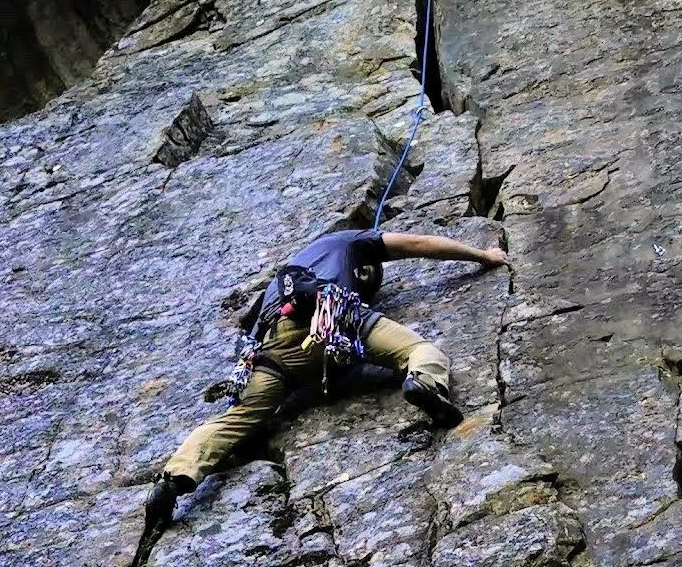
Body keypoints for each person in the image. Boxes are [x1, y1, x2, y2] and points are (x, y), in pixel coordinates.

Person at [142, 224, 512, 537]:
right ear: (366, 269)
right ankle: (424, 383)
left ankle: (175, 478)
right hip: (336, 321)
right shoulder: (350, 243)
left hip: (276, 348)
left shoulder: (278, 286)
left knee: (236, 420)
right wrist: (483, 255)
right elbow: (419, 244)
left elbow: (249, 331)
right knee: (420, 351)